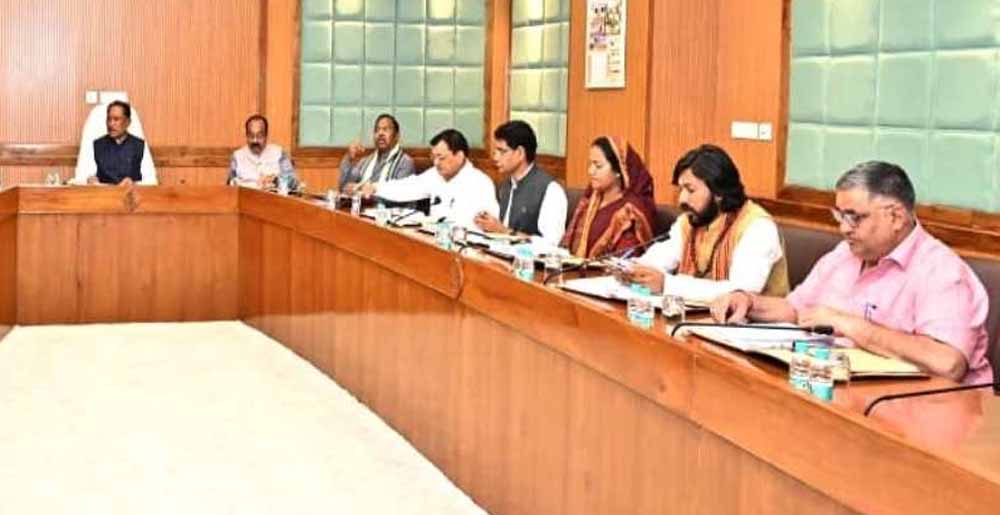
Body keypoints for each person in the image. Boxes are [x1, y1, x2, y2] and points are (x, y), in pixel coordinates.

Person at [709, 161, 993, 385]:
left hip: (930, 410)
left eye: (854, 217)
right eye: (840, 216)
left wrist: (850, 325)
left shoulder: (941, 271)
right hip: (843, 390)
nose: (844, 228)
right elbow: (797, 310)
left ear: (895, 216)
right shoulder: (845, 254)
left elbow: (947, 363)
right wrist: (748, 302)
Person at [620, 144, 788, 301]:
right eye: (680, 189)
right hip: (697, 318)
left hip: (752, 321)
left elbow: (741, 292)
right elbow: (662, 256)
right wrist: (633, 269)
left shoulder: (757, 227)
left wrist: (667, 284)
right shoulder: (690, 221)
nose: (682, 199)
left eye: (690, 190)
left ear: (718, 192)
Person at [359, 129, 498, 228]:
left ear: (460, 156)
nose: (436, 163)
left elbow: (487, 226)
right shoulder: (435, 175)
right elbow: (409, 187)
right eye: (434, 157)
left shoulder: (480, 183)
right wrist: (376, 188)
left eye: (441, 158)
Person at [473, 120, 567, 245]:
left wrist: (503, 231)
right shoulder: (506, 186)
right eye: (495, 151)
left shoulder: (551, 190)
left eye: (502, 151)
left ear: (520, 153)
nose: (495, 157)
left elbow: (551, 244)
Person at [560, 136, 656, 258]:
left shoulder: (629, 212)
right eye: (591, 164)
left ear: (619, 171)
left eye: (598, 166)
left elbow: (623, 258)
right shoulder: (590, 199)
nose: (591, 171)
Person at [339, 114, 415, 194]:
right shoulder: (365, 162)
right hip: (361, 202)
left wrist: (371, 189)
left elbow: (401, 193)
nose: (380, 133)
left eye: (385, 129)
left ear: (397, 136)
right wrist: (349, 158)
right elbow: (343, 187)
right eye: (377, 130)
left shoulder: (405, 162)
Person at [90, 101, 154, 186]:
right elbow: (85, 176)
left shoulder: (139, 145)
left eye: (116, 119)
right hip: (104, 192)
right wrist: (91, 179)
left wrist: (133, 183)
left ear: (128, 122)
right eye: (109, 119)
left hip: (131, 193)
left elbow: (151, 180)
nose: (111, 124)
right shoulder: (97, 145)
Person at [228, 114, 298, 190]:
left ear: (266, 135)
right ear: (246, 135)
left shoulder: (279, 153)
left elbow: (293, 182)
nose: (255, 140)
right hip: (246, 196)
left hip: (271, 196)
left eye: (259, 136)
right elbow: (230, 185)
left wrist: (275, 181)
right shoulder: (237, 156)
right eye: (251, 136)